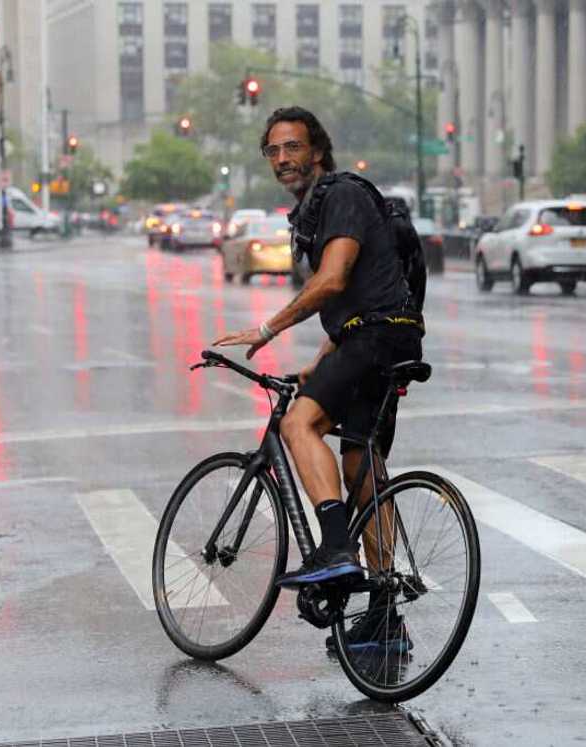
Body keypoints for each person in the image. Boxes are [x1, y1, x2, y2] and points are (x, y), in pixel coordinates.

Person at [213, 107, 422, 646]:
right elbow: (362, 291)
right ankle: (384, 614)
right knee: (360, 461)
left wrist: (266, 329)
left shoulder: (342, 195)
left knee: (297, 425)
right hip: (384, 336)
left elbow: (332, 281)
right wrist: (323, 356)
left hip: (375, 339)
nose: (283, 159)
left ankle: (334, 548)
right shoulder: (317, 208)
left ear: (317, 151)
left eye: (293, 147)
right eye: (274, 150)